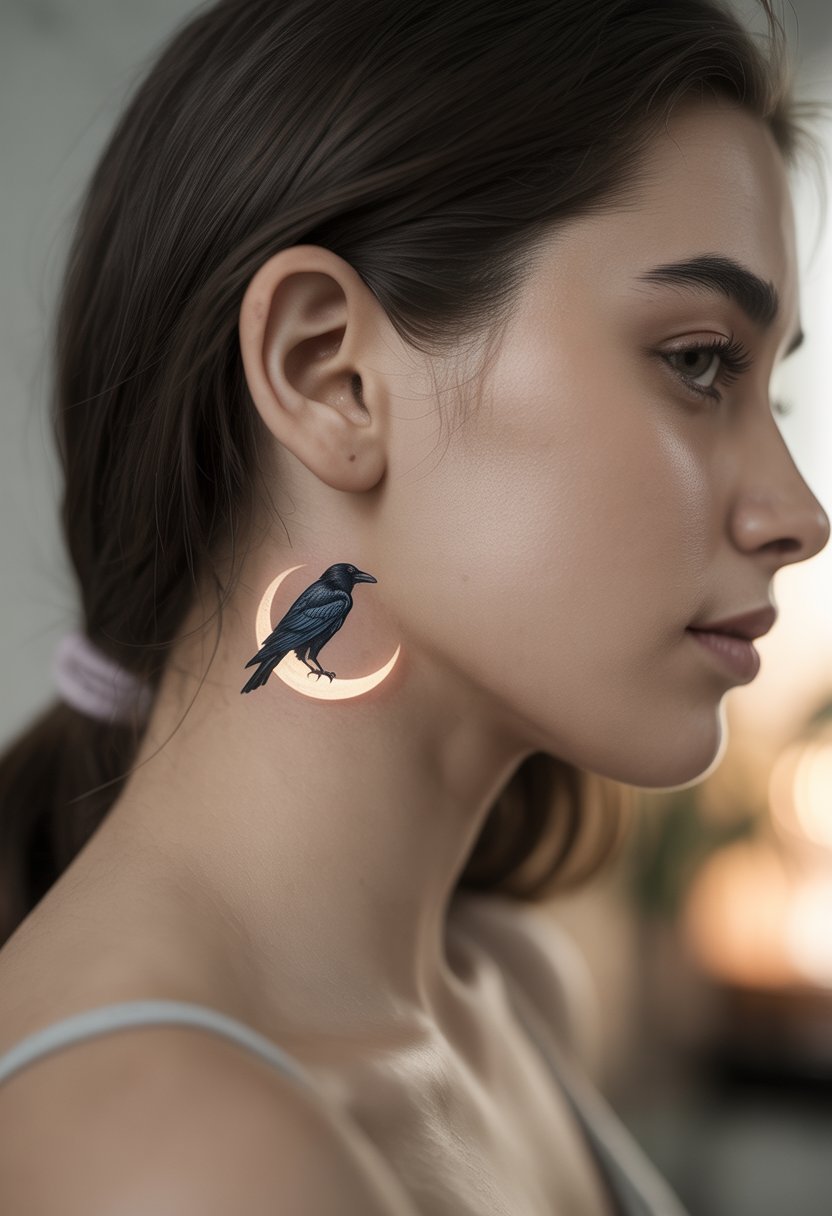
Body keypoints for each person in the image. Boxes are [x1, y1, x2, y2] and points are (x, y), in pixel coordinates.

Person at [0, 0, 829, 1211]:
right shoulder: (170, 1152)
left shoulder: (506, 985)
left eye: (771, 391)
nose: (799, 512)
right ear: (327, 374)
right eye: (697, 360)